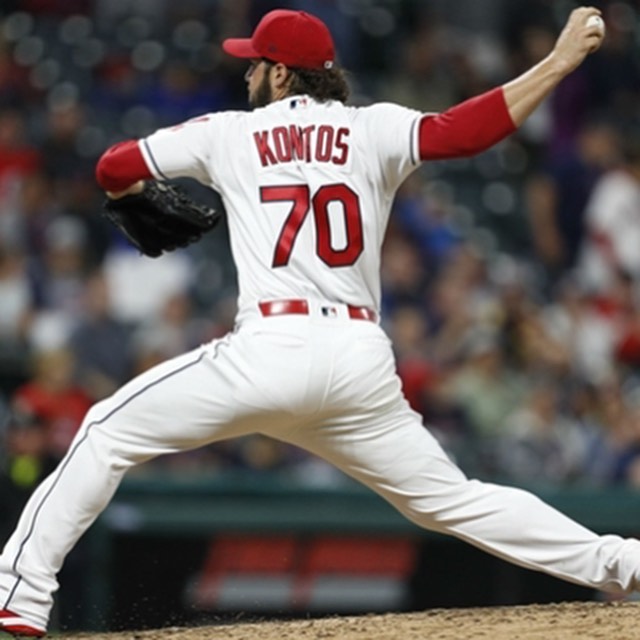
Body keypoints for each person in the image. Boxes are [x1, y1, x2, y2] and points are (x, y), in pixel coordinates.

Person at [0, 7, 635, 638]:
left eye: (256, 63)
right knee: (455, 499)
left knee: (105, 431)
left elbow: (112, 165)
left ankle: (18, 598)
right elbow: (463, 133)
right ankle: (625, 562)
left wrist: (129, 194)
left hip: (270, 351)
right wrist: (557, 64)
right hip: (359, 362)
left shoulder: (229, 132)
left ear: (280, 74)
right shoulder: (372, 127)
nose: (247, 73)